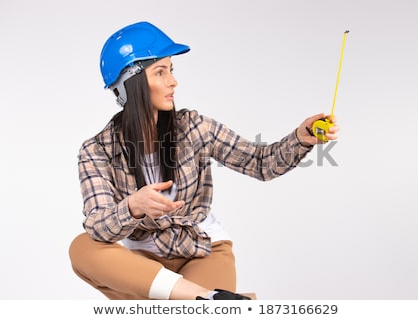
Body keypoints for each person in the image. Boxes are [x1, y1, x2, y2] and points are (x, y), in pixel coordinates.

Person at [68, 21, 339, 300]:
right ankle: (206, 298)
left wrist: (301, 138)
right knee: (82, 248)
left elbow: (260, 163)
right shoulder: (96, 151)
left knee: (165, 302)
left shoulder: (195, 127)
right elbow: (98, 225)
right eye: (160, 72)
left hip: (201, 252)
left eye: (171, 70)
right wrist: (133, 206)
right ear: (129, 86)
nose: (173, 81)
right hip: (141, 266)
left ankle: (196, 299)